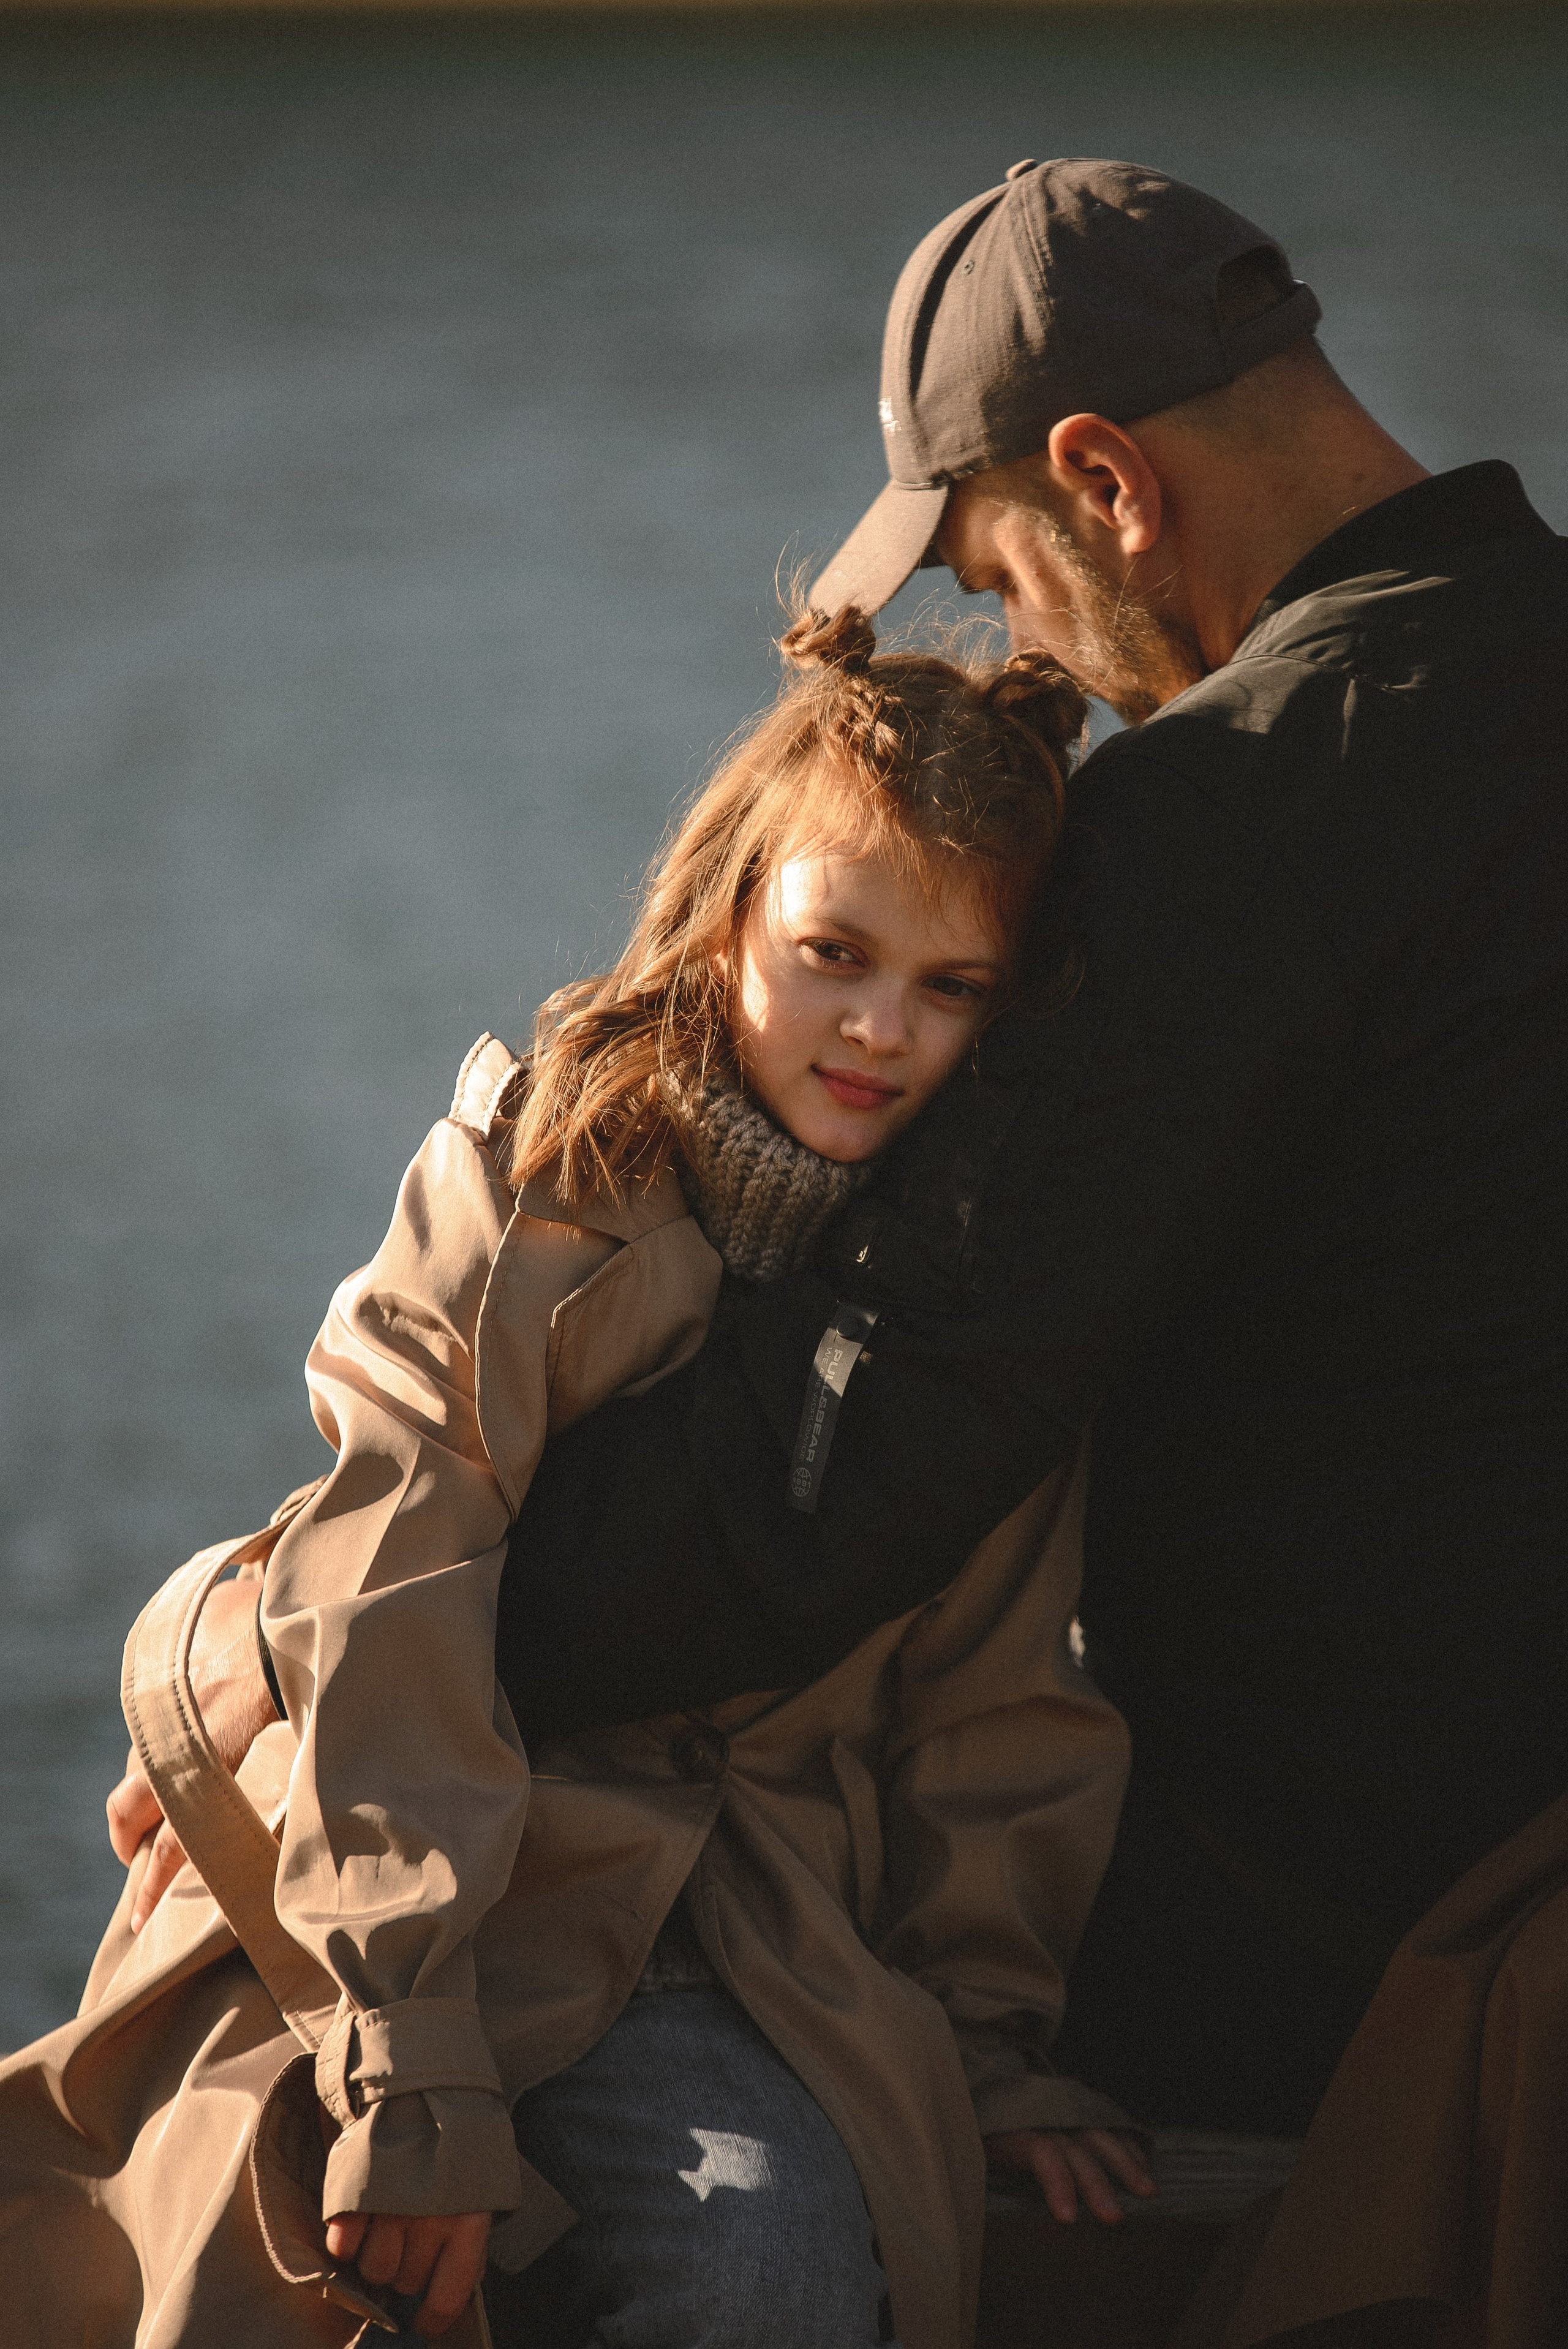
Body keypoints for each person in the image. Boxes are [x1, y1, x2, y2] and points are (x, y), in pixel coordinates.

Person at [105, 158, 1568, 2341]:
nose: (1036, 654)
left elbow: (854, 1462)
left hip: (1297, 1975)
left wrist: (287, 1656)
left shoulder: (1242, 812)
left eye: (1002, 575)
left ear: (1105, 482)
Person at [10, 616, 1144, 2349]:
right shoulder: (527, 1186)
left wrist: (990, 2044)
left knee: (759, 2271)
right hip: (408, 1902)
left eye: (949, 986)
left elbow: (998, 1698)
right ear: (730, 913)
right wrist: (410, 2062)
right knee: (279, 2245)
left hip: (743, 1947)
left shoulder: (982, 1297)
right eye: (833, 951)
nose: (878, 1030)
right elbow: (391, 1592)